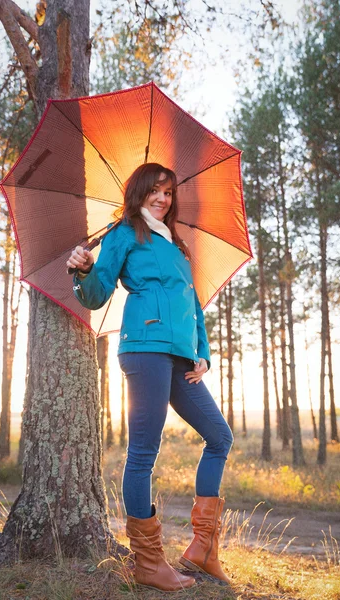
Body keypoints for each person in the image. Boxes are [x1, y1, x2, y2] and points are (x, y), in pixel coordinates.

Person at [67, 163, 233, 592]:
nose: (162, 198)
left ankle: (203, 547)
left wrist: (204, 354)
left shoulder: (177, 244)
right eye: (155, 191)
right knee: (144, 452)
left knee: (220, 437)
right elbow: (98, 291)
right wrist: (83, 270)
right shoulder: (125, 233)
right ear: (139, 192)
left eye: (168, 192)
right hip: (144, 349)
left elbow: (193, 304)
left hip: (182, 358)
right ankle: (147, 562)